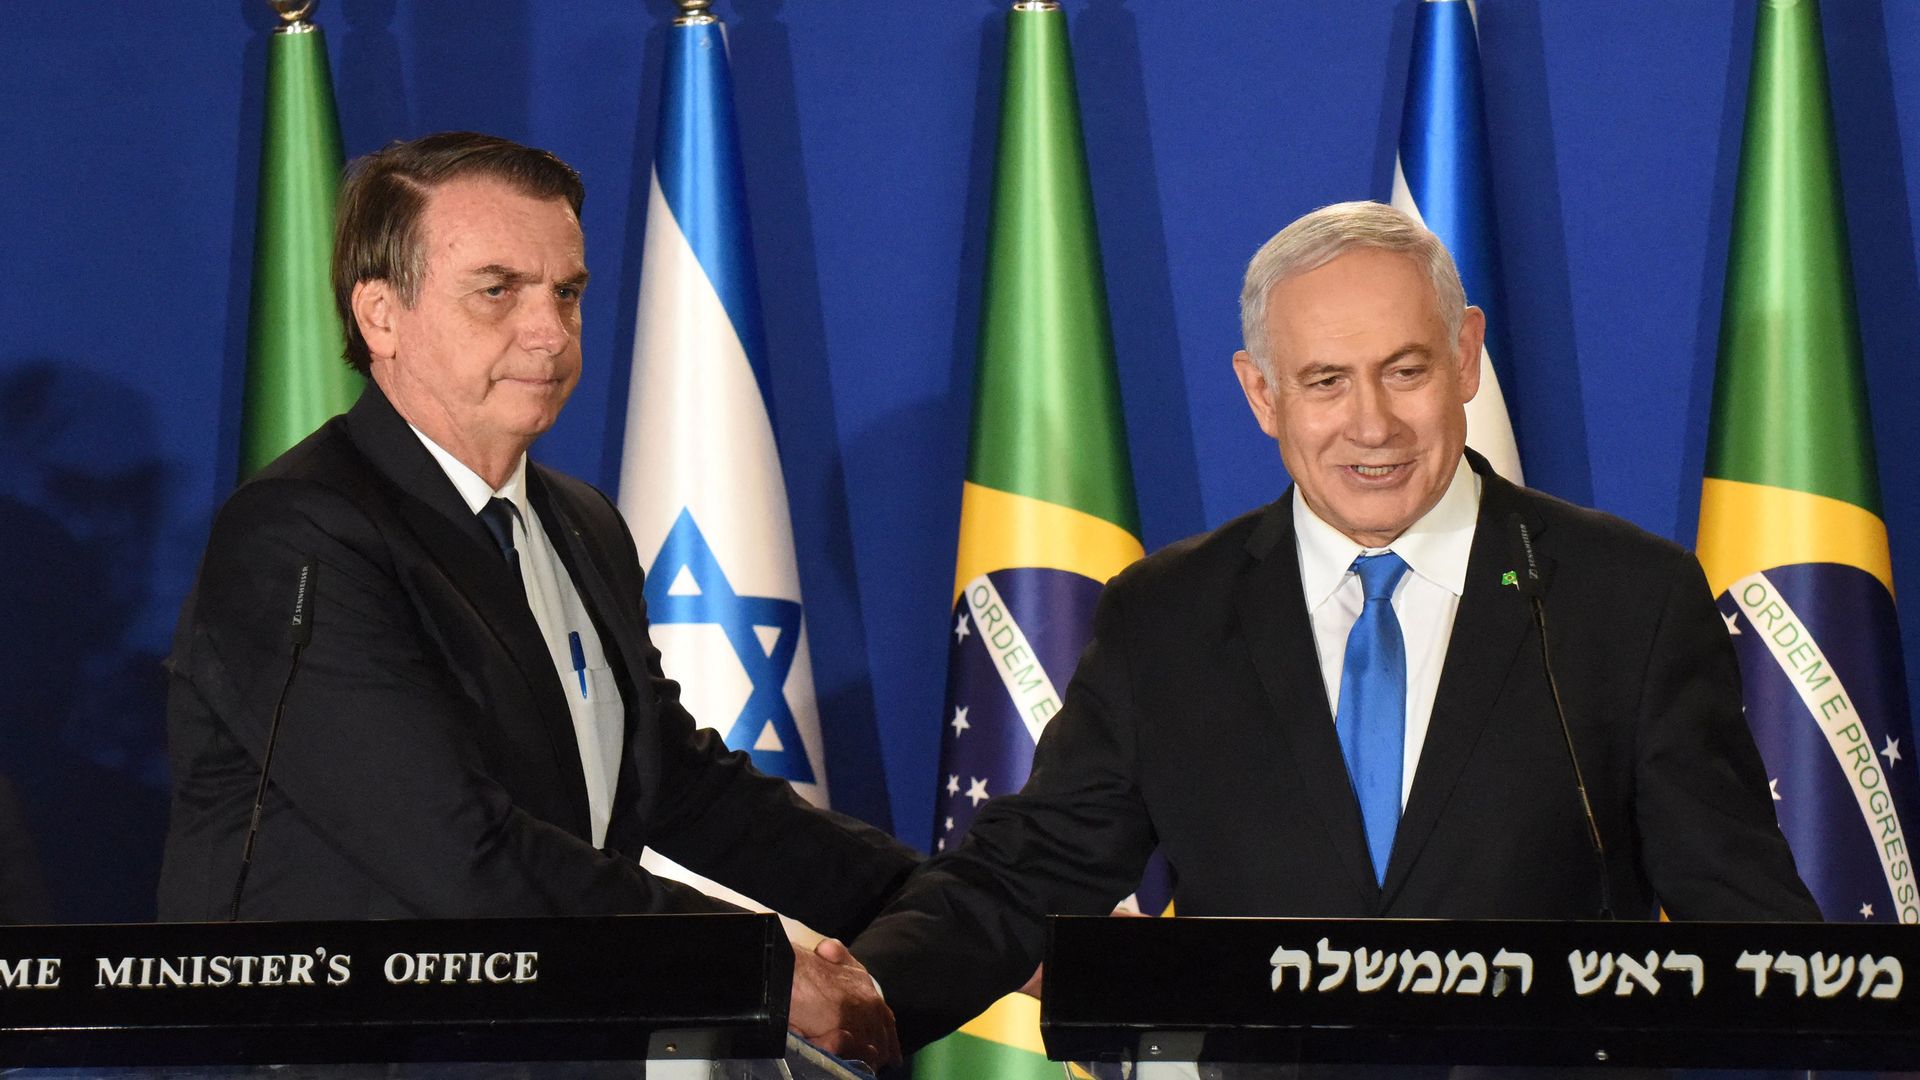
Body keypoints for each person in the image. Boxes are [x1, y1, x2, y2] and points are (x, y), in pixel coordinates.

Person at [848, 201, 1819, 1051]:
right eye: (1324, 382)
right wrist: (865, 991)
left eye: (1405, 370)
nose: (1372, 425)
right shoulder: (1169, 617)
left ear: (1466, 356)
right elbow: (1027, 872)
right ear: (1261, 393)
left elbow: (1746, 928)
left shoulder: (1627, 599)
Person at [158, 132, 914, 1064]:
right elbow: (458, 854)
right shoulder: (299, 534)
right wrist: (754, 963)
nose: (549, 332)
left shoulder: (581, 524)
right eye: (497, 290)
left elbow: (677, 787)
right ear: (381, 314)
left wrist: (952, 913)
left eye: (567, 292)